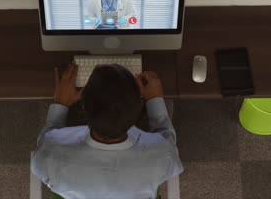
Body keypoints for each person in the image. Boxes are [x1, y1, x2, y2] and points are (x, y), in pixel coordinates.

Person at [31, 62, 183, 199]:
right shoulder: (162, 157)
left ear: (82, 107)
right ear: (138, 109)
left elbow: (46, 141)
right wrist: (155, 99)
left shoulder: (50, 157)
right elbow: (168, 140)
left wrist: (61, 103)